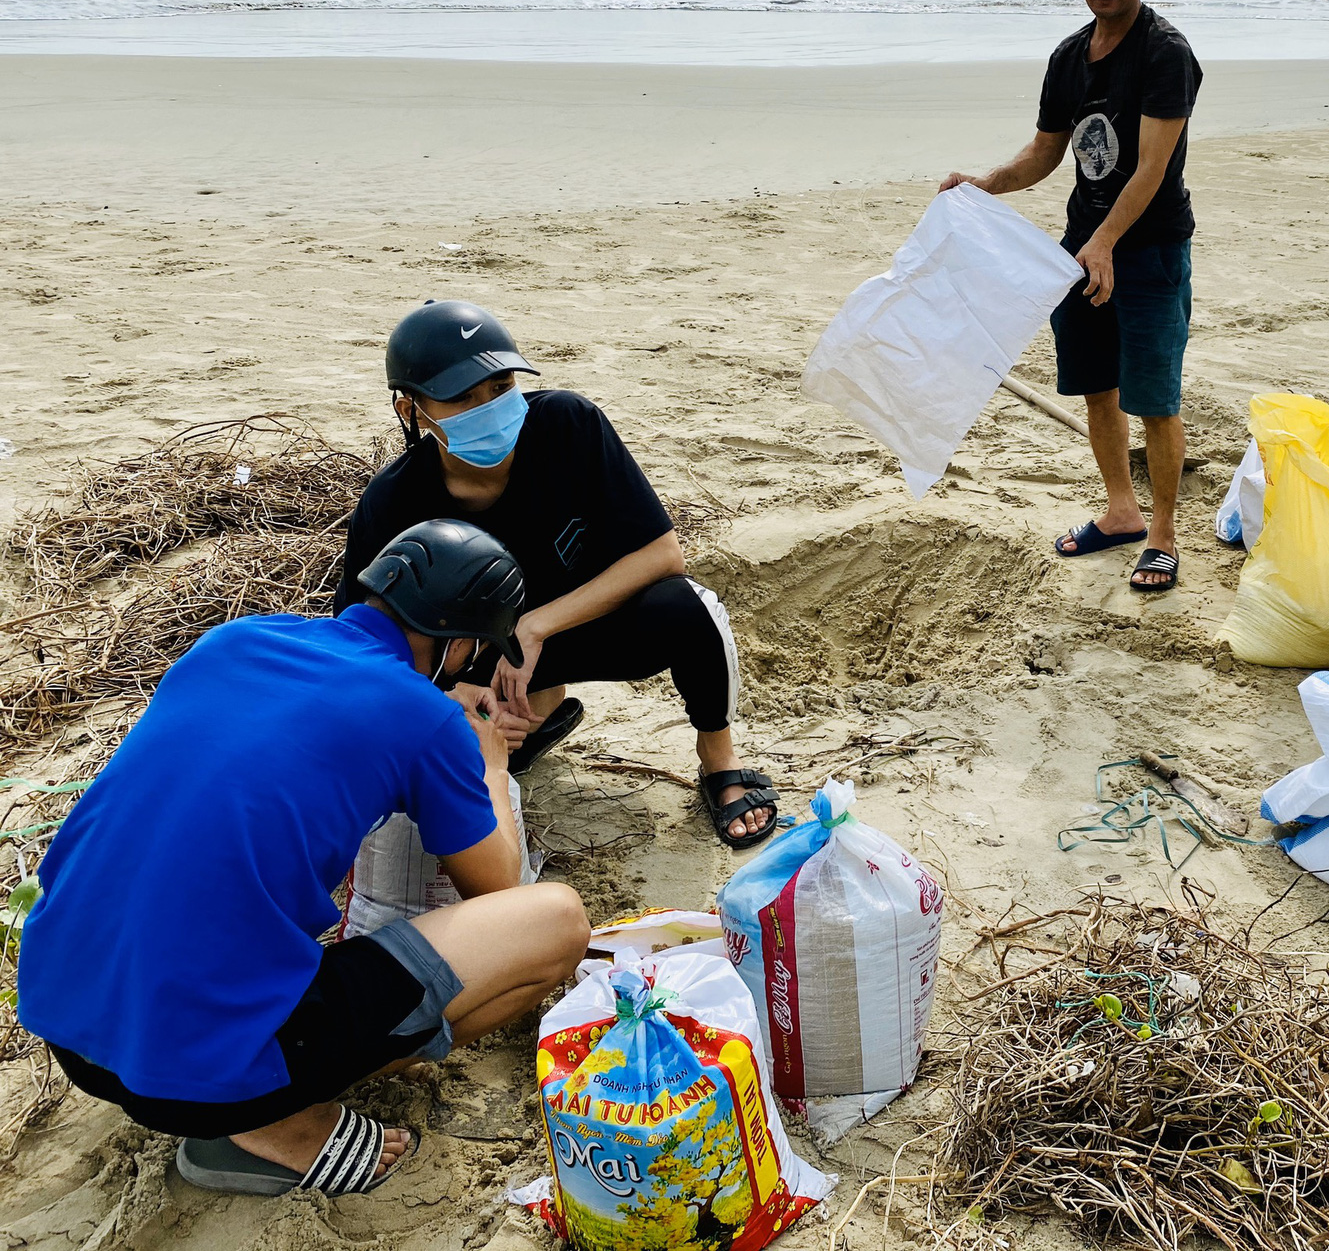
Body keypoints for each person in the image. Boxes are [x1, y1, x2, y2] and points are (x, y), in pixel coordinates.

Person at [17, 520, 591, 1197]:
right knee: (557, 921)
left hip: (65, 1019)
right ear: (458, 642)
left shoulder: (233, 641)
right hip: (199, 1076)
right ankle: (272, 1117)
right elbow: (497, 889)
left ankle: (256, 1080)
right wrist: (489, 763)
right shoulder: (423, 717)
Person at [334, 300, 776, 848]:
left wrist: (537, 627)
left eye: (499, 387)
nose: (489, 407)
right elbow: (367, 651)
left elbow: (662, 556)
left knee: (686, 606)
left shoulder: (568, 426)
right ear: (410, 412)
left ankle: (718, 762)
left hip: (572, 628)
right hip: (476, 664)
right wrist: (452, 704)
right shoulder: (392, 504)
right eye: (462, 398)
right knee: (450, 767)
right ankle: (528, 723)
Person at [941, 0, 1202, 592]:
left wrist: (1109, 242)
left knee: (1155, 399)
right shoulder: (1067, 58)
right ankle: (1121, 511)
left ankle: (1165, 535)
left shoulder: (1166, 54)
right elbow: (1045, 153)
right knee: (1096, 387)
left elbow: (1151, 166)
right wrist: (985, 184)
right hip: (1080, 252)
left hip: (1145, 252)